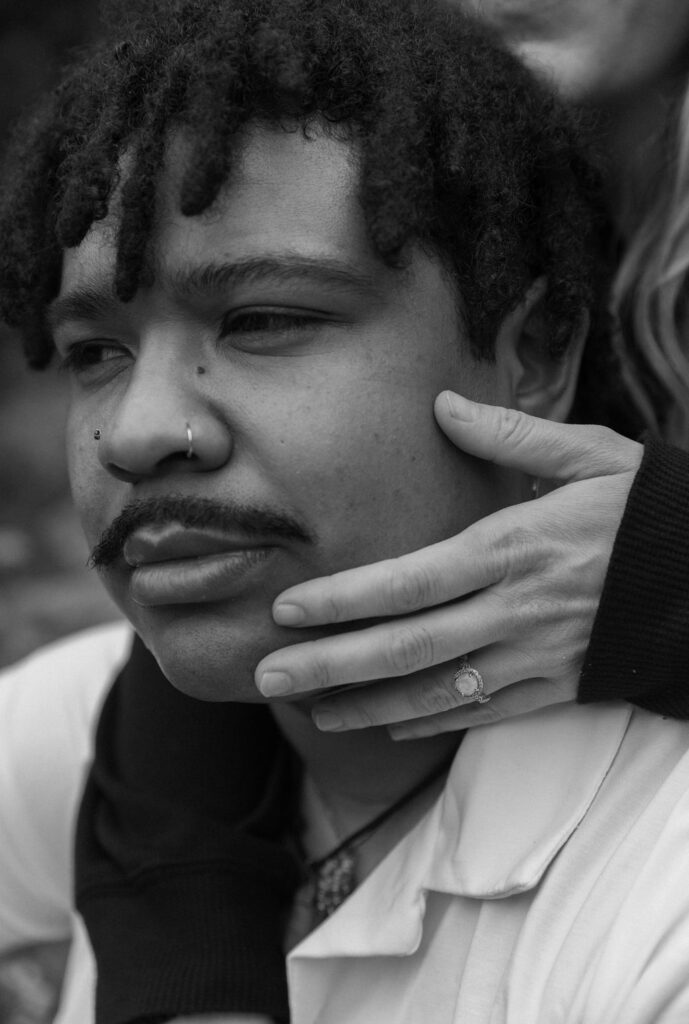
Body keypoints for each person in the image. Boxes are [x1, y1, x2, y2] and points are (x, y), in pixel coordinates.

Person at [2, 2, 689, 1023]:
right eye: (94, 352)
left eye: (266, 319)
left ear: (536, 352)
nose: (134, 432)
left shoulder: (650, 886)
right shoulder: (65, 731)